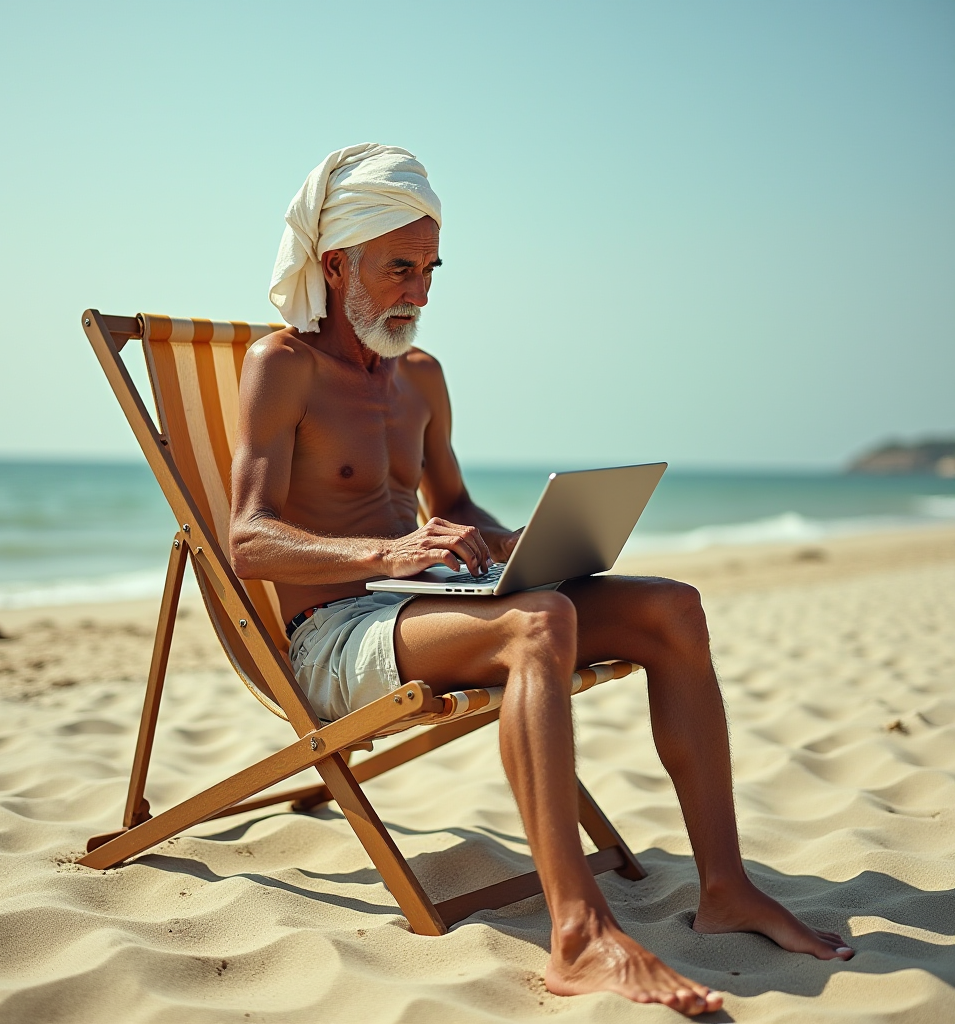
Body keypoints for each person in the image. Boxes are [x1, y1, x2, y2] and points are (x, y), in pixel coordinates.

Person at [229, 144, 854, 1016]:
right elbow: (246, 541)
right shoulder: (282, 366)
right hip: (338, 636)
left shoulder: (421, 378)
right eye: (399, 268)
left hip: (426, 608)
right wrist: (385, 556)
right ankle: (578, 936)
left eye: (430, 268)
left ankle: (726, 887)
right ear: (336, 264)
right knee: (540, 624)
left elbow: (454, 505)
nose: (421, 291)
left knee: (672, 608)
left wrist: (514, 540)